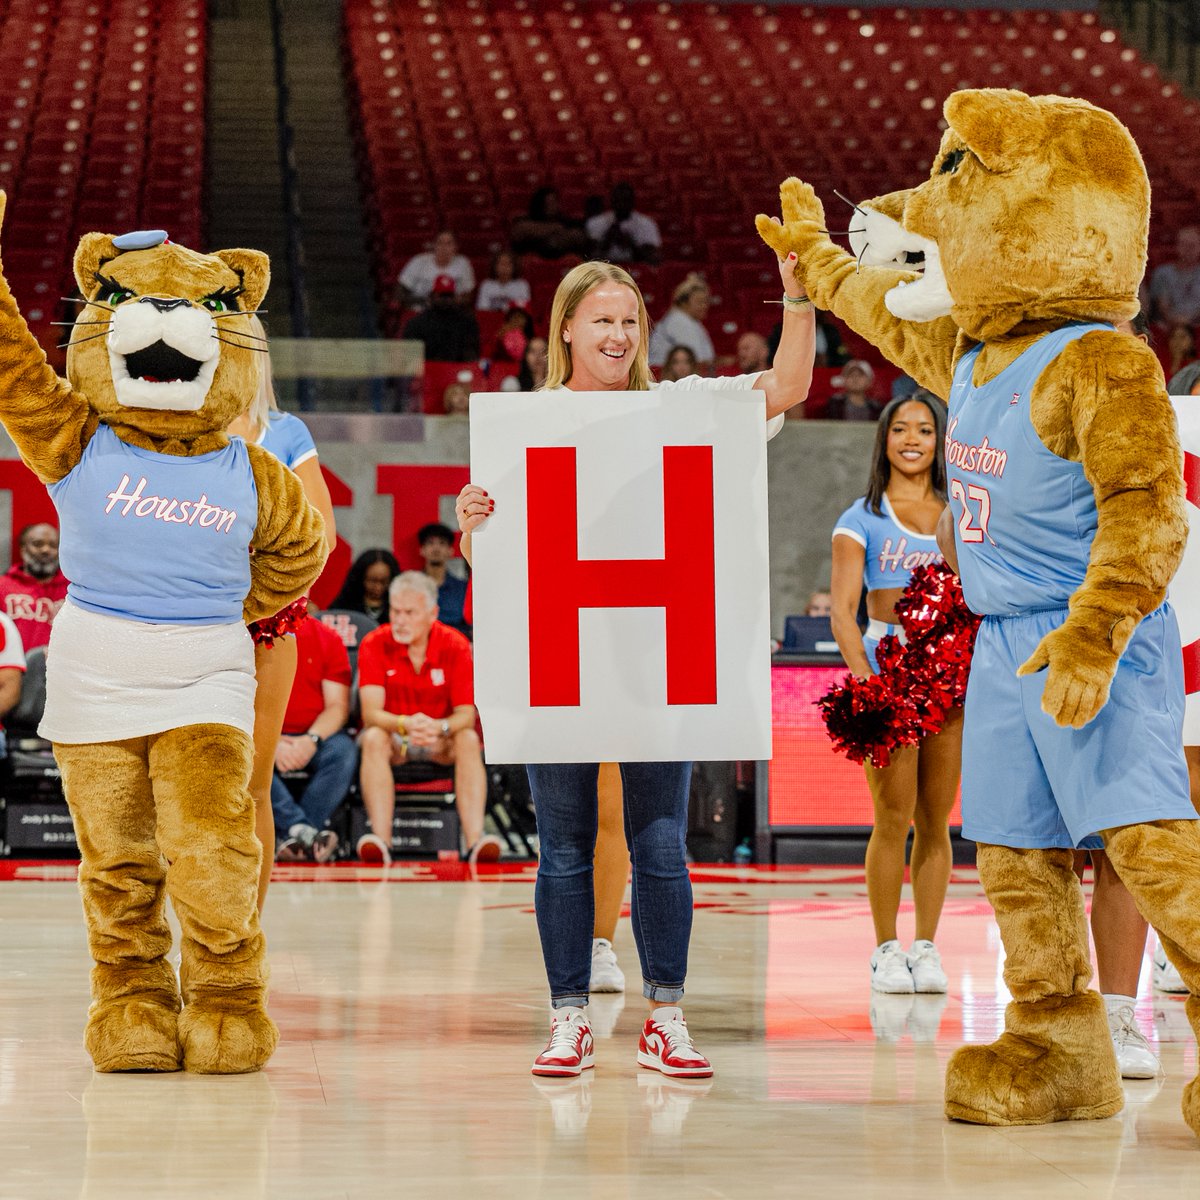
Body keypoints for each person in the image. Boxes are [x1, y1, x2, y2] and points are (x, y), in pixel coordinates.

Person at [455, 245, 815, 1078]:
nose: (618, 335)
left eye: (630, 321)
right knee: (566, 845)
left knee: (660, 844)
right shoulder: (527, 419)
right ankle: (569, 1017)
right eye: (603, 321)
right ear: (567, 328)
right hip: (562, 658)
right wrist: (474, 521)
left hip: (659, 659)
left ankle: (666, 1017)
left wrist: (797, 300)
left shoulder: (685, 406)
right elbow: (498, 563)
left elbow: (788, 387)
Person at [830, 394, 961, 995]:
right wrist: (868, 684)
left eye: (926, 429)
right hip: (888, 666)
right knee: (892, 816)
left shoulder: (958, 511)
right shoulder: (860, 516)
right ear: (883, 438)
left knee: (937, 820)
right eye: (901, 428)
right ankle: (886, 950)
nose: (913, 439)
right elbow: (841, 614)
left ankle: (927, 948)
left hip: (949, 672)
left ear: (941, 441)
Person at [228, 315, 337, 912]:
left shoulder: (287, 431)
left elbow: (323, 535)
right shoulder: (172, 429)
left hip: (268, 629)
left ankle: (245, 934)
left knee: (253, 785)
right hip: (187, 628)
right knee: (179, 787)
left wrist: (259, 578)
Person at [354, 572, 501, 866]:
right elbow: (371, 714)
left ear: (432, 613)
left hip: (440, 739)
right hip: (397, 738)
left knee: (468, 738)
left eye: (410, 613)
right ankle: (381, 842)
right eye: (395, 611)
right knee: (372, 738)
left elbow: (466, 714)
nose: (400, 620)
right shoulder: (374, 642)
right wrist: (404, 724)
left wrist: (439, 727)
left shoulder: (455, 644)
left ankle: (474, 843)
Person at [271, 605, 358, 863]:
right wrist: (272, 741)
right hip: (263, 732)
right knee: (244, 751)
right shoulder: (249, 633)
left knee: (344, 752)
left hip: (314, 734)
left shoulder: (327, 638)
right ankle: (306, 833)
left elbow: (338, 707)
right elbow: (242, 699)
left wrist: (312, 740)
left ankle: (294, 834)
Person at [0, 522, 68, 651]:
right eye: (38, 544)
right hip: (11, 668)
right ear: (23, 548)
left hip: (58, 668)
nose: (46, 550)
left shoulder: (72, 592)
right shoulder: (2, 586)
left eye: (53, 545)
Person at [402, 276, 481, 363]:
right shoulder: (416, 323)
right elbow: (409, 358)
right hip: (426, 372)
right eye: (441, 296)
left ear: (455, 297)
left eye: (449, 296)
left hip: (456, 371)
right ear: (431, 296)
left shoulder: (467, 323)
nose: (445, 300)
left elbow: (471, 354)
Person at [648, 274, 715, 372]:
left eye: (706, 302)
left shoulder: (692, 321)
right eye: (700, 302)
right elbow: (698, 362)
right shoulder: (678, 321)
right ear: (684, 303)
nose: (704, 306)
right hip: (665, 378)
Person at [585, 183, 662, 265]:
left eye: (625, 200)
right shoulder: (596, 222)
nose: (621, 204)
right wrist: (607, 240)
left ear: (632, 202)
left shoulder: (646, 223)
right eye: (617, 200)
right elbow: (589, 257)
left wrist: (631, 243)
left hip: (635, 269)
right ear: (611, 201)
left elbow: (653, 259)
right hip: (604, 269)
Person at [396, 230, 475, 309]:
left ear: (456, 247)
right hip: (421, 309)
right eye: (440, 243)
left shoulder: (463, 263)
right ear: (434, 245)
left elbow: (468, 295)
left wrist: (452, 301)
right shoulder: (419, 261)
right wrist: (424, 301)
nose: (443, 247)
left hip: (451, 311)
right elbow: (399, 292)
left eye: (449, 243)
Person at [417, 522, 470, 638]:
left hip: (454, 645)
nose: (436, 548)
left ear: (450, 551)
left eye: (442, 543)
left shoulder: (462, 588)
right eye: (430, 543)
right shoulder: (411, 586)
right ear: (422, 550)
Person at [510, 186, 589, 259]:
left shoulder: (566, 221)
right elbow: (519, 231)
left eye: (554, 202)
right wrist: (554, 229)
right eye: (548, 202)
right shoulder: (526, 220)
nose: (551, 205)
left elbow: (579, 236)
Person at [330, 549, 400, 624]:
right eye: (372, 581)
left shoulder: (399, 605)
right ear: (361, 578)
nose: (378, 587)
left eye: (384, 582)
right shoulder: (344, 604)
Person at [1149, 225, 1200, 327]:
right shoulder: (1162, 273)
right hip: (1168, 328)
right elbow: (1162, 306)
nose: (1188, 250)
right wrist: (1177, 322)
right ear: (1177, 246)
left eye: (1192, 245)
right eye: (1184, 244)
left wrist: (1187, 322)